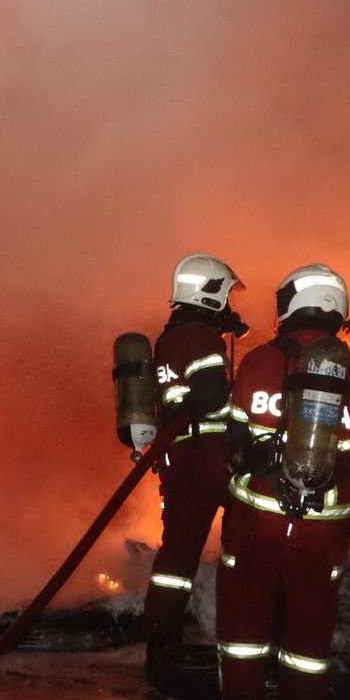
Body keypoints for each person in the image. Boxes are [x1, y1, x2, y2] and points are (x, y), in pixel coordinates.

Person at [215, 263, 350, 700]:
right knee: (309, 634)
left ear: (289, 304)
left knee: (244, 626)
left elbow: (234, 439)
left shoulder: (259, 362)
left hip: (257, 523)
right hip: (322, 532)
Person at [143, 255, 247, 662]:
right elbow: (211, 398)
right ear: (210, 293)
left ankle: (159, 636)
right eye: (226, 295)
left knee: (177, 555)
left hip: (181, 459)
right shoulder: (201, 338)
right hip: (208, 457)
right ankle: (244, 634)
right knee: (250, 539)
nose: (229, 304)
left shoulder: (173, 337)